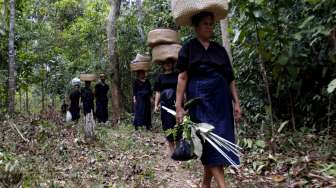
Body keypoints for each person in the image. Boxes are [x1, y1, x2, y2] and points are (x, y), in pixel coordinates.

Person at [175, 12, 242, 188]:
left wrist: (237, 103)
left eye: (211, 24)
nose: (209, 27)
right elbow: (182, 78)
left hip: (221, 103)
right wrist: (179, 106)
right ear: (196, 26)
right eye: (205, 24)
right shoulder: (188, 49)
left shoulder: (219, 50)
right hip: (200, 102)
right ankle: (223, 185)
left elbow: (230, 78)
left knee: (220, 142)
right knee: (210, 143)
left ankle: (205, 184)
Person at [154, 59, 181, 154]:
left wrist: (184, 103)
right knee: (167, 124)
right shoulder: (160, 77)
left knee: (177, 124)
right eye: (165, 63)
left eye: (169, 62)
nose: (167, 64)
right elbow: (158, 92)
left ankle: (178, 147)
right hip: (165, 105)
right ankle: (171, 147)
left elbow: (182, 89)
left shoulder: (178, 75)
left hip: (176, 104)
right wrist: (156, 105)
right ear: (163, 65)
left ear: (173, 63)